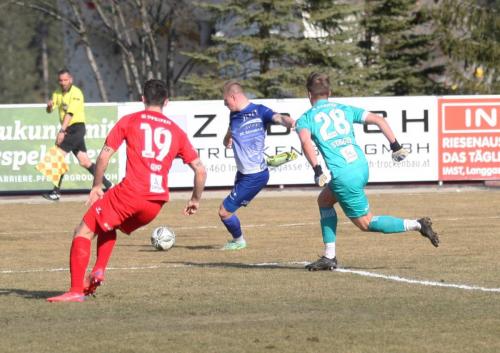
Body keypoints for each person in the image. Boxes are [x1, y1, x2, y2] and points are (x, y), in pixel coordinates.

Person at [47, 79, 207, 302]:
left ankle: (75, 291)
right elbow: (200, 170)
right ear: (167, 102)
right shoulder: (176, 131)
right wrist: (195, 200)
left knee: (82, 231)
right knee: (107, 224)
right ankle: (99, 270)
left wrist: (96, 186)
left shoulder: (130, 121)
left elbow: (104, 156)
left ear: (142, 99)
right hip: (156, 203)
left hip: (131, 193)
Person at [295, 72, 439, 271]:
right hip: (361, 167)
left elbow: (305, 142)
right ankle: (329, 256)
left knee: (366, 223)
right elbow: (379, 120)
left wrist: (317, 170)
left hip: (344, 175)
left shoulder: (306, 118)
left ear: (308, 94)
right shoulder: (343, 109)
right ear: (330, 92)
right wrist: (395, 146)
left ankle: (417, 224)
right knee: (324, 201)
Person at [219, 80, 296, 250]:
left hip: (255, 175)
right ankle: (237, 240)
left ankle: (239, 241)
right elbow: (230, 132)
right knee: (228, 210)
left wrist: (291, 123)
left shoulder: (260, 111)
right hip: (243, 173)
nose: (225, 105)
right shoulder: (233, 115)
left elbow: (279, 117)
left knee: (224, 211)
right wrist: (227, 139)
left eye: (226, 101)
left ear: (233, 96)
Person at [43, 68, 112, 201]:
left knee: (58, 156)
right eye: (61, 80)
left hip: (76, 128)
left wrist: (62, 131)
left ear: (71, 80)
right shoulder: (57, 93)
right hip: (69, 130)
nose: (63, 83)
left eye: (65, 80)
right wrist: (49, 106)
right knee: (85, 162)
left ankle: (56, 192)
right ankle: (109, 185)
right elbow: (50, 110)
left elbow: (70, 114)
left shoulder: (76, 93)